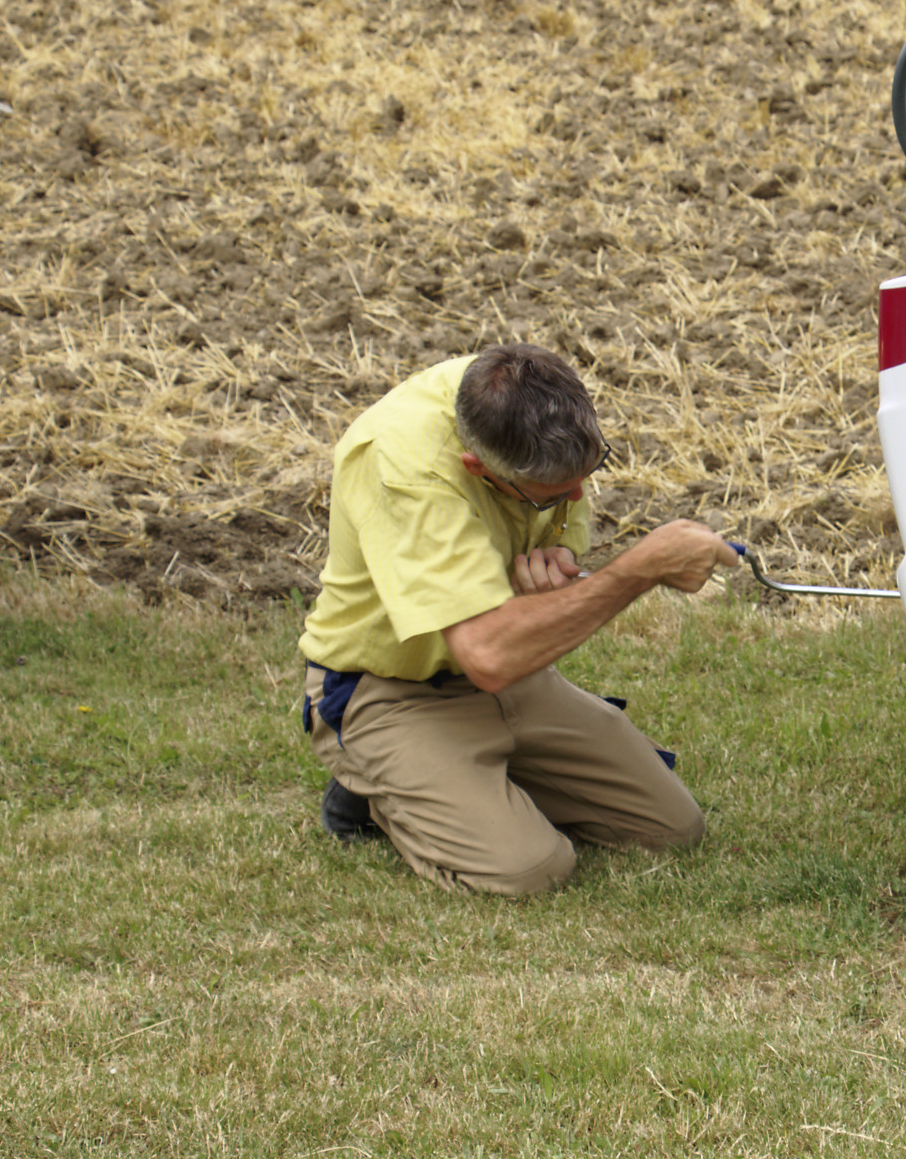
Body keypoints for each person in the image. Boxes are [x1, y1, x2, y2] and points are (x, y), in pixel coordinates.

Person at [296, 342, 738, 896]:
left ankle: (467, 780)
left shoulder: (526, 401)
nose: (577, 495)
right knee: (530, 869)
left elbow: (555, 518)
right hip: (390, 687)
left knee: (671, 829)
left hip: (504, 673)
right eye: (550, 497)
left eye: (589, 470)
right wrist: (639, 570)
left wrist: (559, 559)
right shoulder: (403, 467)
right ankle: (367, 790)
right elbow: (489, 655)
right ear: (477, 468)